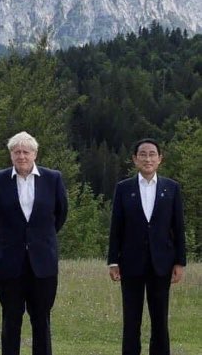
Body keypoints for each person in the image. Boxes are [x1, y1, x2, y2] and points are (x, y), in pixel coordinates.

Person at [0, 131, 68, 355]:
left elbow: (59, 215)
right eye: (16, 152)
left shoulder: (53, 179)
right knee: (10, 319)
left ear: (35, 154)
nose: (21, 156)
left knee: (42, 320)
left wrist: (37, 238)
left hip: (43, 263)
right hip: (9, 262)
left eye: (26, 152)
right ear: (10, 155)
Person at [107, 138, 186, 355]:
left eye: (152, 154)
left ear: (160, 159)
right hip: (130, 263)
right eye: (143, 154)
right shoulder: (124, 189)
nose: (147, 158)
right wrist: (113, 261)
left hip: (162, 263)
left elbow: (178, 227)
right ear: (134, 159)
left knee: (160, 320)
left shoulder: (171, 188)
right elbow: (116, 227)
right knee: (131, 319)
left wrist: (180, 261)